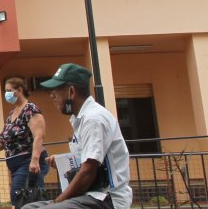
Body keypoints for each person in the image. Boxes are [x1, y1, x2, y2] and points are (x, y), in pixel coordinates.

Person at [23, 63, 131, 209]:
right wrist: (64, 161)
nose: (52, 95)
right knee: (28, 208)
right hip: (89, 196)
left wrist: (57, 202)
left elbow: (87, 172)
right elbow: (88, 160)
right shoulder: (81, 119)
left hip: (107, 198)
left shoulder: (94, 119)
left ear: (71, 91)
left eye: (56, 90)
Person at [0, 77, 48, 206]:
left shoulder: (30, 109)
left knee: (21, 197)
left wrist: (35, 160)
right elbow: (4, 140)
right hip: (15, 165)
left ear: (19, 90)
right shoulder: (12, 114)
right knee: (21, 198)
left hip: (27, 162)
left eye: (9, 90)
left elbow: (39, 135)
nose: (6, 94)